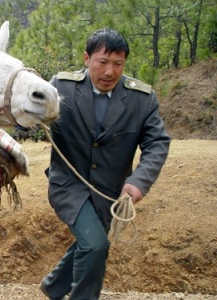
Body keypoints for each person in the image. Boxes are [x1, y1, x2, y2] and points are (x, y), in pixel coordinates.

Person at [40, 28, 171, 300]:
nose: (110, 72)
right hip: (68, 186)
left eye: (118, 64)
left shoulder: (142, 100)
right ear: (87, 59)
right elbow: (31, 115)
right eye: (103, 62)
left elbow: (157, 143)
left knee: (91, 243)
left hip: (110, 192)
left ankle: (53, 287)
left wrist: (138, 182)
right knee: (97, 245)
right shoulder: (61, 87)